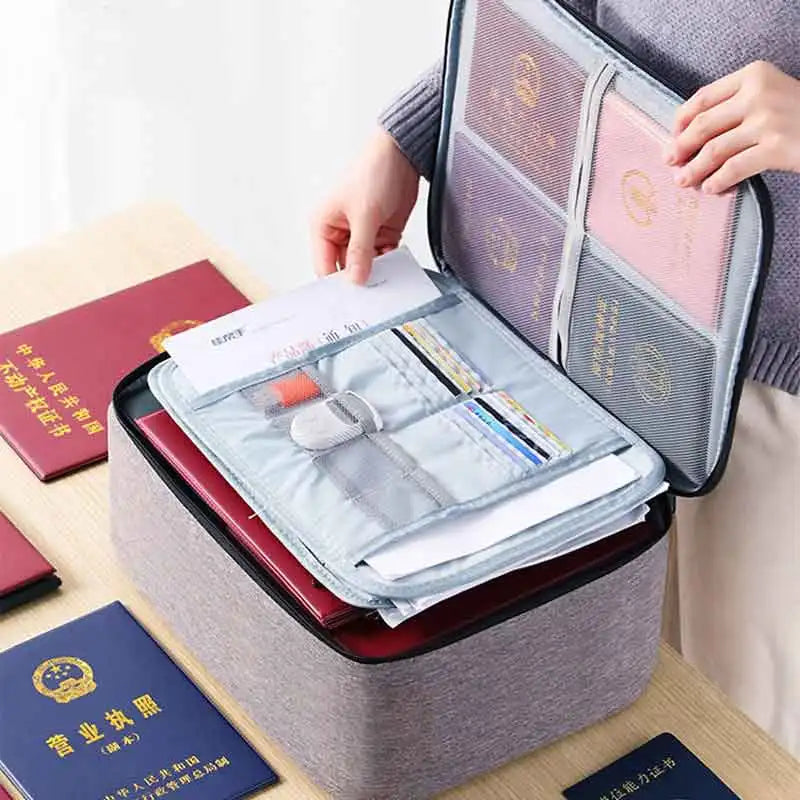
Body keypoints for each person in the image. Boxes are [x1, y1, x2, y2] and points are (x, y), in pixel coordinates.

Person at [312, 1, 800, 757]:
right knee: (598, 700)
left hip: (769, 392)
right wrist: (406, 138)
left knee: (747, 734)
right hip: (585, 317)